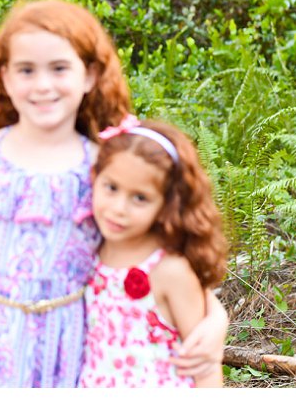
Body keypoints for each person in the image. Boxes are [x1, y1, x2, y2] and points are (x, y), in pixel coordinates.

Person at [0, 0, 228, 387]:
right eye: (26, 70)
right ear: (6, 77)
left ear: (89, 75)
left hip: (68, 354)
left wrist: (215, 319)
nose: (43, 85)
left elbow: (155, 253)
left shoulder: (104, 168)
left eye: (59, 68)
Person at [80, 117, 227, 388]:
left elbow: (204, 365)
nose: (119, 208)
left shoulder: (169, 270)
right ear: (94, 178)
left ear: (166, 205)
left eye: (140, 198)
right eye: (111, 188)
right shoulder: (87, 250)